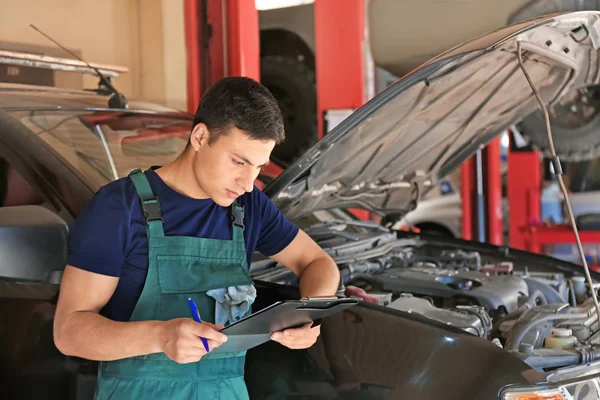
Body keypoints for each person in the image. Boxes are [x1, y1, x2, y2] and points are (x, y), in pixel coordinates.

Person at [53, 77, 341, 400]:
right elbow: (69, 331)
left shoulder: (247, 207)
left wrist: (308, 314)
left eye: (258, 168)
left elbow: (317, 262)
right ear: (200, 136)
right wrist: (160, 336)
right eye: (238, 161)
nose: (247, 183)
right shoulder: (119, 209)